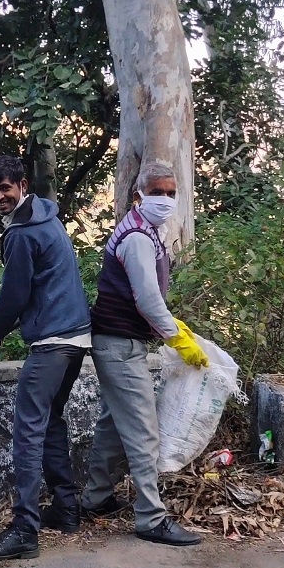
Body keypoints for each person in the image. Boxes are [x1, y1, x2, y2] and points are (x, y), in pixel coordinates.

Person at [0, 155, 91, 561]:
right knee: (50, 422)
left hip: (52, 342)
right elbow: (41, 286)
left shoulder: (21, 233)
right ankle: (66, 510)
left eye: (5, 188)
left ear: (22, 184)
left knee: (28, 432)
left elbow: (14, 296)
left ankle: (24, 530)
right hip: (77, 338)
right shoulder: (47, 219)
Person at [79, 162, 208, 546]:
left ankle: (95, 497)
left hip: (117, 341)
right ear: (139, 196)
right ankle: (151, 518)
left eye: (172, 192)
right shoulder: (137, 236)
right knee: (144, 432)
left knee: (113, 426)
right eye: (158, 192)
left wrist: (172, 328)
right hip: (119, 344)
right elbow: (148, 300)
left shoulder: (145, 230)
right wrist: (177, 338)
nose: (166, 199)